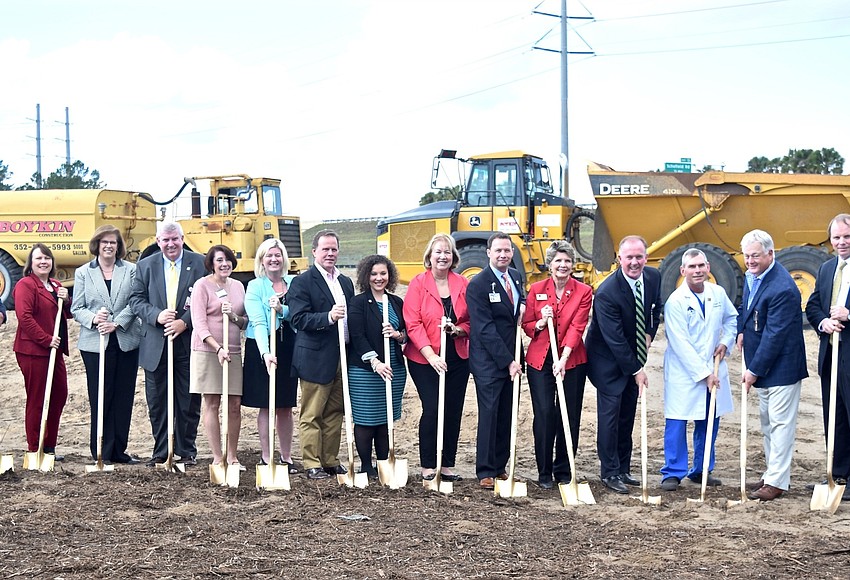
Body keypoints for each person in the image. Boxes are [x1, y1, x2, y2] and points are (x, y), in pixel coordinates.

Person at [585, 235, 662, 494]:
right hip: (606, 361)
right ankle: (609, 472)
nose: (634, 262)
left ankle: (624, 468)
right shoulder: (607, 293)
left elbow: (655, 308)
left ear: (646, 257)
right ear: (620, 259)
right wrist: (637, 371)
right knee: (610, 417)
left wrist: (649, 332)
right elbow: (615, 340)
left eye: (639, 256)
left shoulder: (653, 278)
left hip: (633, 355)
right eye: (629, 257)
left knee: (627, 414)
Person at [738, 229, 807, 501]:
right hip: (764, 366)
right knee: (768, 424)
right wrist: (742, 331)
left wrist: (753, 371)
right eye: (746, 256)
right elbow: (749, 310)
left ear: (770, 253)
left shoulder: (783, 288)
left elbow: (774, 335)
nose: (750, 261)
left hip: (782, 366)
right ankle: (773, 473)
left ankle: (777, 481)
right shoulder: (752, 276)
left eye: (755, 255)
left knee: (780, 425)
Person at [659, 248, 737, 491]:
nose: (697, 271)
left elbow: (731, 319)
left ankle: (702, 469)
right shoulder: (675, 302)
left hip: (714, 366)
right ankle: (673, 471)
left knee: (709, 420)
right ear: (683, 271)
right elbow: (679, 342)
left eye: (701, 266)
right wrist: (704, 375)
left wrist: (726, 342)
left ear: (708, 268)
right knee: (678, 421)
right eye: (692, 267)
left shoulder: (718, 293)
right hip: (685, 373)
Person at [130, 221, 206, 467]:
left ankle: (186, 450)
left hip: (188, 341)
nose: (171, 244)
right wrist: (156, 315)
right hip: (156, 343)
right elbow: (136, 300)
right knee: (158, 399)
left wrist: (185, 322)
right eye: (166, 240)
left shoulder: (199, 263)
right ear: (158, 241)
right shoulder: (145, 266)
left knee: (188, 399)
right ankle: (162, 451)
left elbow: (207, 300)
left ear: (182, 239)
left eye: (175, 239)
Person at [521, 241, 592, 490]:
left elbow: (578, 326)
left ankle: (564, 468)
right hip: (540, 361)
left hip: (571, 361)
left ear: (572, 265)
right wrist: (540, 322)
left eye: (567, 261)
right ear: (550, 265)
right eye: (558, 261)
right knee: (544, 414)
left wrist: (564, 358)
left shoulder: (583, 291)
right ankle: (544, 470)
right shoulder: (536, 289)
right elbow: (527, 325)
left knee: (569, 415)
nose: (563, 265)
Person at [71, 225, 142, 464]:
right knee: (101, 395)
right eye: (104, 242)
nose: (109, 246)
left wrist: (117, 323)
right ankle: (101, 450)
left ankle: (119, 451)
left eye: (113, 242)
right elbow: (76, 308)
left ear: (119, 246)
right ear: (97, 245)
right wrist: (93, 319)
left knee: (123, 396)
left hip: (125, 341)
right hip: (95, 343)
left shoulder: (131, 270)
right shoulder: (83, 272)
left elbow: (135, 301)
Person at [288, 229, 355, 480]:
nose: (330, 253)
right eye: (325, 249)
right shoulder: (302, 282)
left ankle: (329, 460)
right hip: (315, 357)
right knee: (313, 412)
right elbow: (298, 318)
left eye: (334, 249)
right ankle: (311, 462)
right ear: (314, 251)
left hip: (342, 356)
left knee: (335, 412)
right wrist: (328, 317)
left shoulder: (345, 282)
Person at [403, 234, 470, 482]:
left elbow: (470, 319)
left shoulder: (463, 283)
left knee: (453, 410)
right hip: (424, 358)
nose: (443, 256)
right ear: (429, 257)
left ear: (453, 257)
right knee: (433, 408)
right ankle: (428, 465)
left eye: (447, 252)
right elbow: (413, 322)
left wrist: (458, 330)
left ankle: (447, 465)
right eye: (438, 252)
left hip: (457, 355)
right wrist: (431, 356)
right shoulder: (418, 284)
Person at [467, 232, 525, 489]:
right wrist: (508, 361)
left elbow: (517, 308)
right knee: (490, 414)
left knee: (507, 413)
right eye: (498, 250)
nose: (503, 255)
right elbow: (485, 328)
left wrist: (522, 306)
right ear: (488, 253)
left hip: (513, 357)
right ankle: (485, 470)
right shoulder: (478, 284)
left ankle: (501, 465)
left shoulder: (515, 276)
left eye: (507, 250)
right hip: (489, 362)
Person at [347, 255, 407, 478]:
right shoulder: (359, 303)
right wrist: (375, 362)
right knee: (366, 419)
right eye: (374, 274)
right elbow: (357, 336)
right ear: (366, 276)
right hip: (366, 371)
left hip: (394, 371)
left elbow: (406, 333)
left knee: (385, 419)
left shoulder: (397, 302)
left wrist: (398, 335)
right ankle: (366, 466)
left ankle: (384, 463)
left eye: (383, 273)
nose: (379, 278)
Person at [243, 238, 299, 470]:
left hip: (288, 347)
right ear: (262, 260)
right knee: (266, 404)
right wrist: (266, 353)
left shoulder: (295, 283)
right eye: (269, 255)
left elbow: (298, 311)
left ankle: (286, 456)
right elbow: (257, 321)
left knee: (285, 404)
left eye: (278, 255)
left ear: (283, 258)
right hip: (262, 347)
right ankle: (267, 456)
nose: (274, 259)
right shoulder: (255, 286)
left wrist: (282, 310)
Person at [805, 214, 850, 501]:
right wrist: (824, 322)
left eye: (847, 237)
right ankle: (839, 472)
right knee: (835, 417)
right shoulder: (826, 269)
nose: (842, 242)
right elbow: (812, 306)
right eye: (837, 237)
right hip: (831, 354)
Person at [189, 245, 246, 468]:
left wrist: (232, 315)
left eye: (228, 259)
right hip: (208, 351)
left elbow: (244, 322)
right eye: (219, 260)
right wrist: (217, 348)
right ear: (211, 264)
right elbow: (199, 324)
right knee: (212, 402)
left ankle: (232, 456)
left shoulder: (239, 286)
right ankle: (217, 457)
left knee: (235, 404)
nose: (224, 264)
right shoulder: (202, 286)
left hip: (232, 351)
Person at [13, 243, 72, 458]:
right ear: (31, 263)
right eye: (38, 258)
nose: (43, 262)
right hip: (33, 350)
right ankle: (34, 447)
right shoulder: (25, 285)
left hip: (54, 351)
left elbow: (66, 314)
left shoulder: (56, 285)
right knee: (37, 397)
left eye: (47, 258)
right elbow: (24, 317)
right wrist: (46, 340)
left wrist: (66, 301)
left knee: (59, 394)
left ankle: (49, 446)